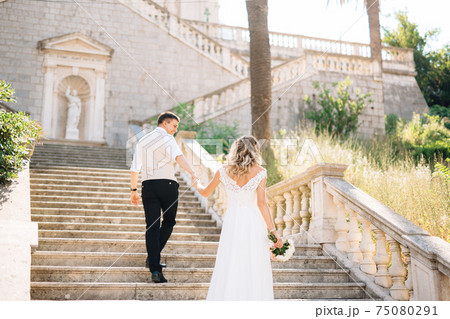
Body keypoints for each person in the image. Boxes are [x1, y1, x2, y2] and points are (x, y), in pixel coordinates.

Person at [192, 135, 283, 300]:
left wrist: (196, 183)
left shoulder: (223, 170)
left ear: (236, 149)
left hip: (232, 222)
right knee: (253, 262)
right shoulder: (260, 172)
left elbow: (205, 192)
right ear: (255, 151)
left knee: (231, 261)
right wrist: (274, 232)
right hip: (253, 222)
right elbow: (262, 204)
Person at [130, 111, 198, 283]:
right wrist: (192, 172)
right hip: (167, 186)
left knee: (152, 226)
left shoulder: (142, 140)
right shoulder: (168, 138)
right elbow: (179, 157)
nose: (175, 130)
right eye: (174, 126)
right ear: (164, 123)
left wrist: (133, 191)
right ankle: (154, 257)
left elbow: (135, 168)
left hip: (148, 186)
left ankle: (154, 265)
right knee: (168, 222)